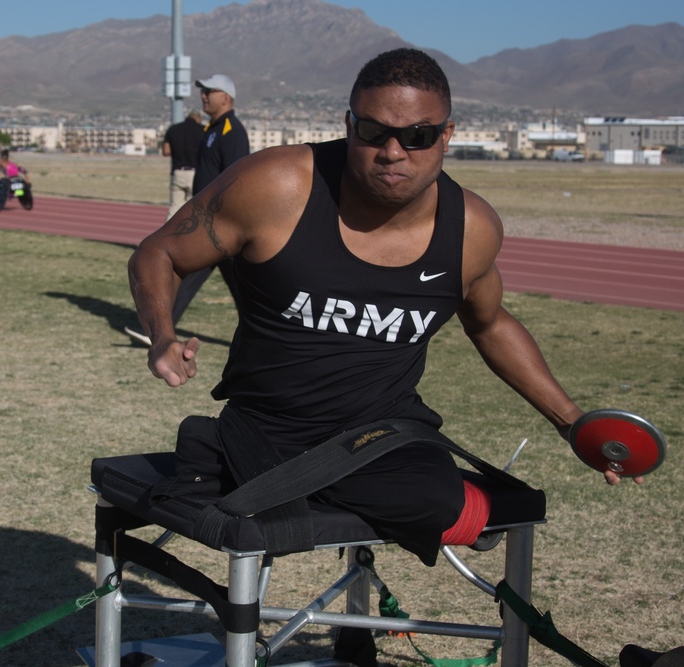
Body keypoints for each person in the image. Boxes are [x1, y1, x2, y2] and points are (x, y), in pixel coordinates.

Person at [127, 48, 641, 567]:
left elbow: (489, 323)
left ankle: (240, 467)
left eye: (418, 136)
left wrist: (573, 422)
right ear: (348, 125)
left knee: (432, 499)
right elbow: (160, 251)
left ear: (446, 135)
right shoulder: (278, 185)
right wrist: (162, 334)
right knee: (421, 500)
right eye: (374, 132)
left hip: (380, 436)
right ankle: (225, 455)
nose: (393, 152)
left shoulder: (471, 230)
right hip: (266, 425)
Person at [126, 75, 249, 347]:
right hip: (208, 225)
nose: (203, 96)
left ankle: (264, 337)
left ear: (226, 97)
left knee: (241, 286)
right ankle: (159, 332)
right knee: (190, 274)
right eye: (202, 92)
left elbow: (237, 180)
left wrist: (226, 222)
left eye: (209, 91)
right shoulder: (211, 129)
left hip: (222, 226)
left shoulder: (232, 130)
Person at [163, 110, 204, 221]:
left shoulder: (173, 129)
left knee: (174, 207)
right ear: (199, 119)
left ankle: (167, 234)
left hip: (177, 172)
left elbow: (166, 151)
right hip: (195, 174)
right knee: (195, 207)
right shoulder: (203, 130)